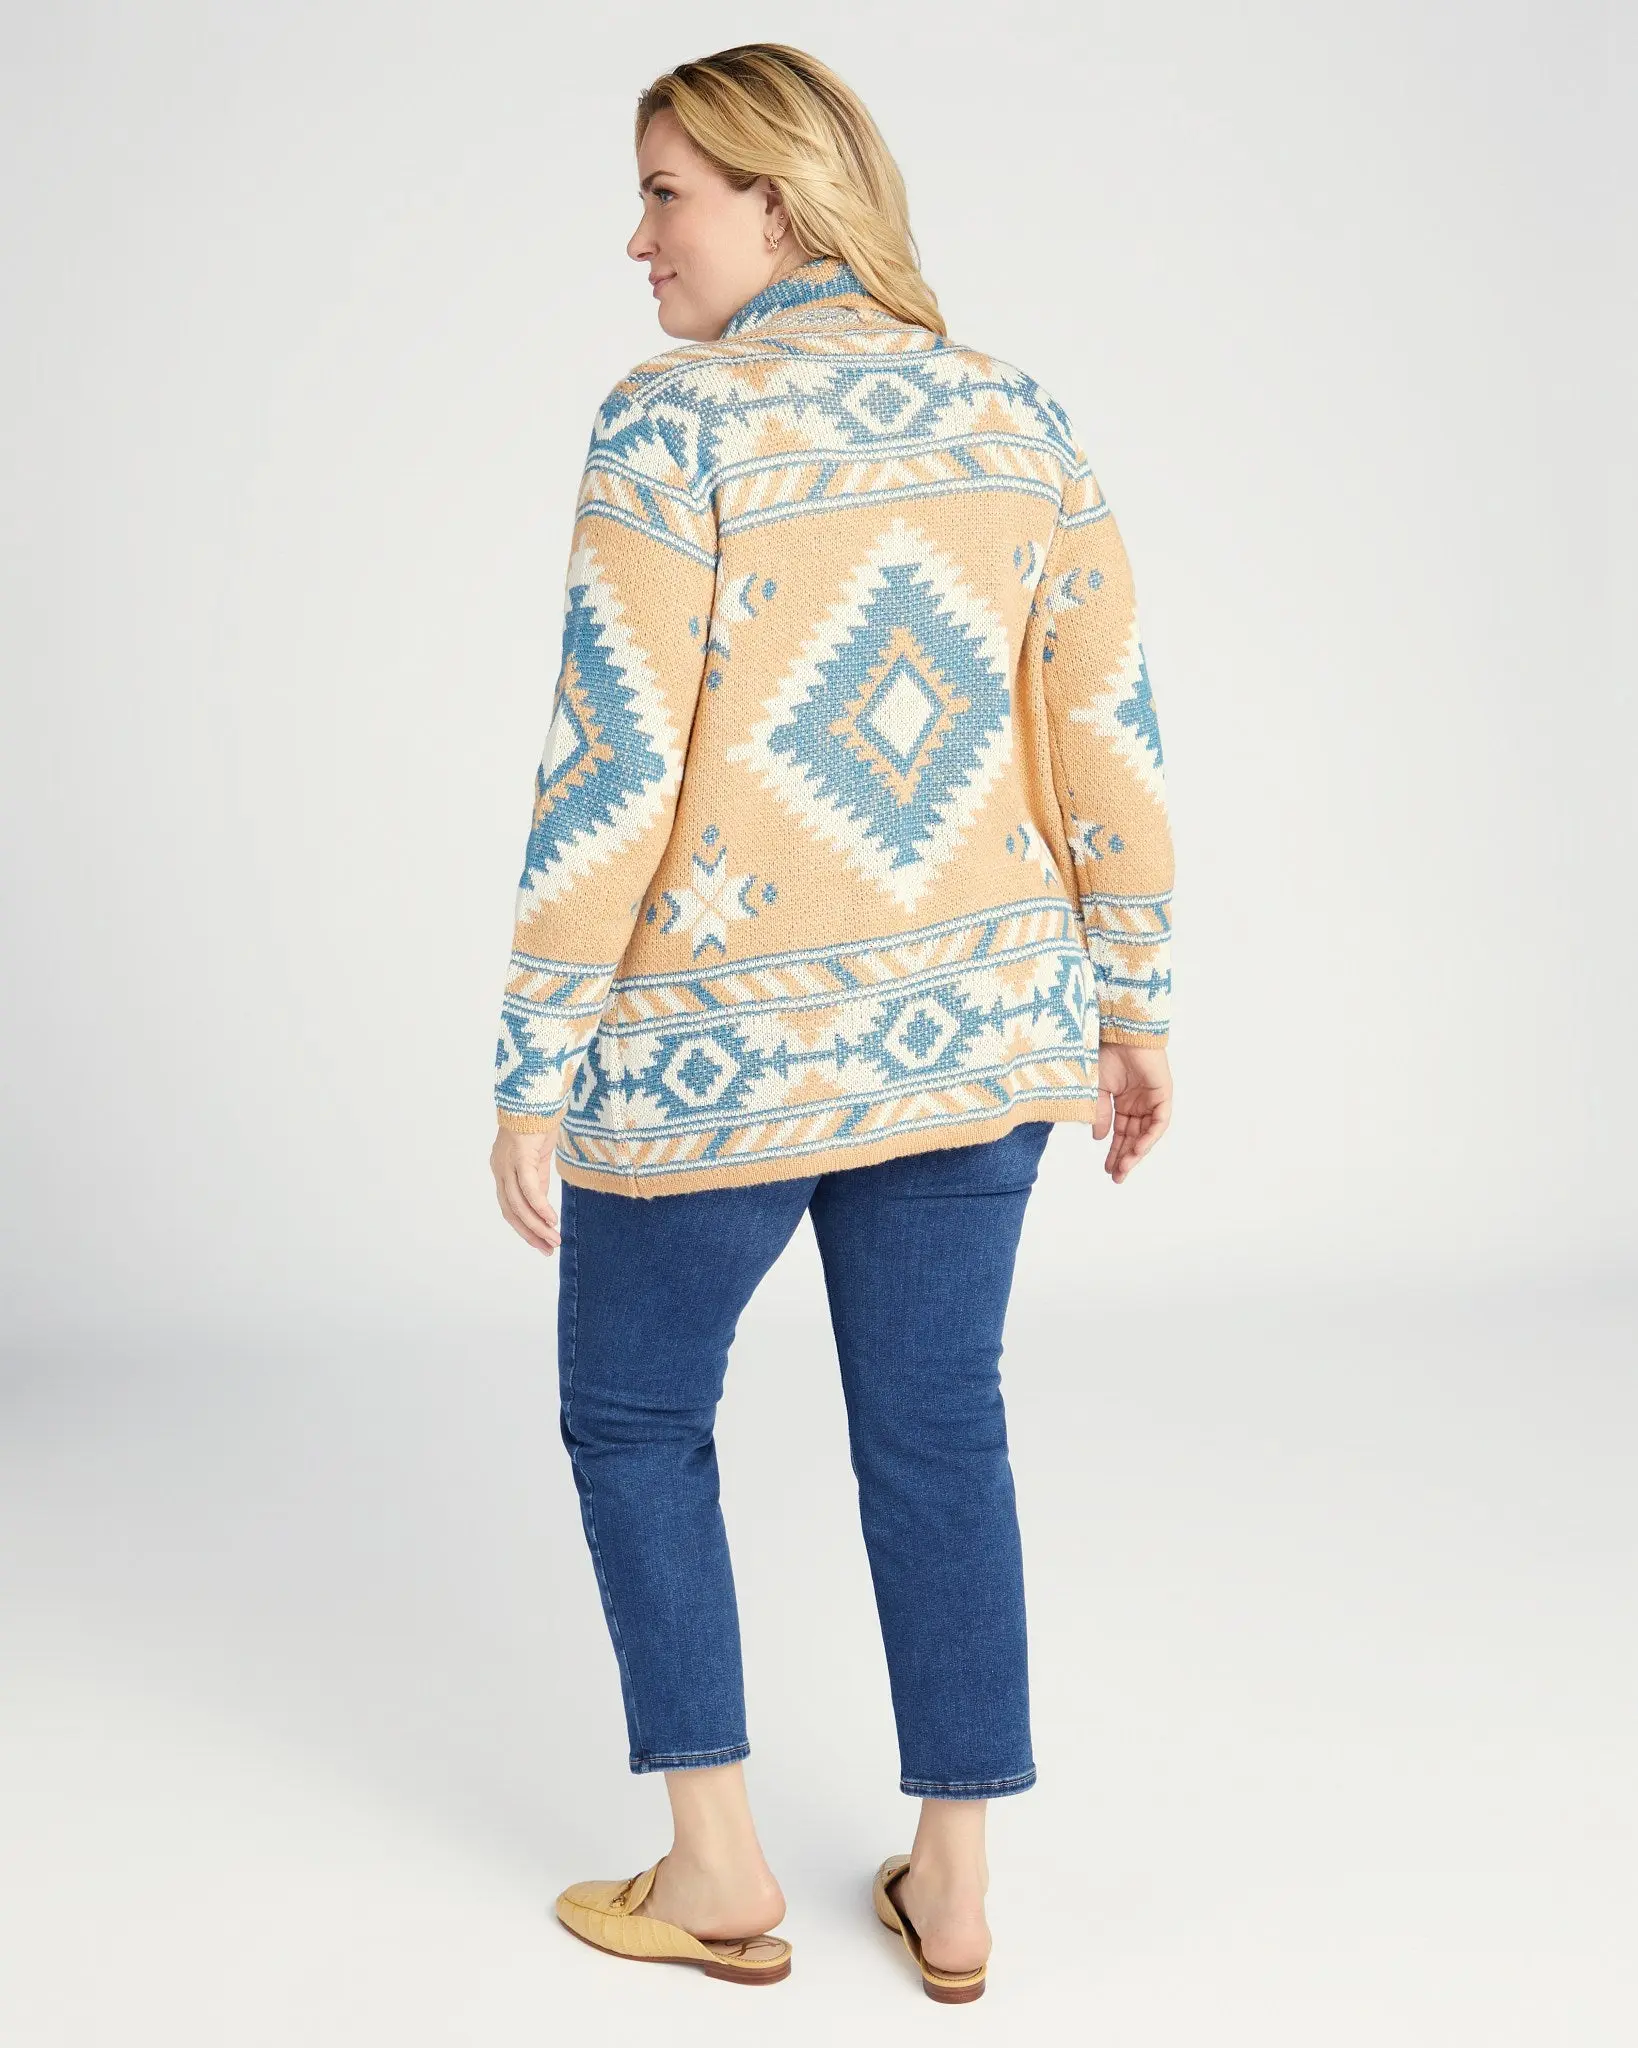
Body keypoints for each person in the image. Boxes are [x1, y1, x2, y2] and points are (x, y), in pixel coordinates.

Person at [488, 42, 1175, 2000]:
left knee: (637, 1415)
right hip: (978, 1035)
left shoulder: (671, 424)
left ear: (777, 198)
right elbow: (1101, 723)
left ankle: (715, 1867)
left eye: (666, 192)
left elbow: (612, 759)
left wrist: (534, 1059)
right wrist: (1133, 995)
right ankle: (953, 1889)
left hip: (718, 1054)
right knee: (938, 1426)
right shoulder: (1012, 413)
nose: (637, 240)